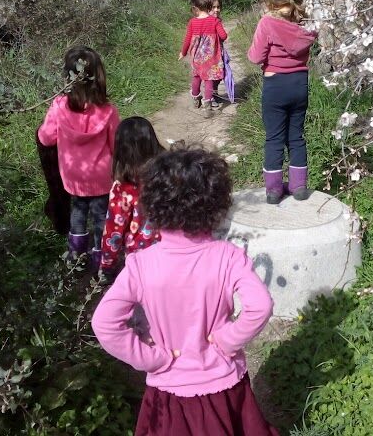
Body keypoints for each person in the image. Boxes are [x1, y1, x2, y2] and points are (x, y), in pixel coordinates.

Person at [91, 148, 277, 436]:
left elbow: (104, 323)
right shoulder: (227, 257)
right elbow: (260, 306)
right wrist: (227, 341)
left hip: (169, 391)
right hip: (223, 384)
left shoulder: (141, 265)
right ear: (215, 205)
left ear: (153, 205)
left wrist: (150, 359)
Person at [37, 46, 119, 269]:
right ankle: (102, 261)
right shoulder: (108, 110)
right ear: (98, 76)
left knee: (78, 211)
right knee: (102, 216)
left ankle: (76, 257)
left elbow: (45, 138)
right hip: (102, 175)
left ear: (68, 77)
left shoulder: (59, 106)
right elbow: (116, 144)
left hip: (73, 174)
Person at [247, 0, 317, 204]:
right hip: (299, 84)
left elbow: (255, 57)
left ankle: (274, 190)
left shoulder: (267, 24)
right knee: (296, 136)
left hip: (275, 84)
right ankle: (299, 187)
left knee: (274, 138)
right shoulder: (307, 25)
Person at [99, 116, 165, 283]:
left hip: (140, 259)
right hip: (172, 248)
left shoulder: (123, 187)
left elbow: (113, 230)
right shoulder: (168, 173)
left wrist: (107, 264)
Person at [179, 0, 228, 114]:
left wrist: (183, 53)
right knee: (209, 80)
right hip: (210, 58)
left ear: (195, 7)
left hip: (196, 58)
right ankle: (208, 105)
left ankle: (196, 98)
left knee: (196, 77)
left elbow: (187, 39)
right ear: (208, 5)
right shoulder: (214, 21)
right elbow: (224, 36)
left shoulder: (192, 22)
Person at [209, 0, 235, 105]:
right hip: (211, 54)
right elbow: (223, 36)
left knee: (218, 75)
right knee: (212, 76)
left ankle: (213, 94)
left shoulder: (216, 20)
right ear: (206, 8)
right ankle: (210, 97)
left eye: (218, 7)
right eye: (212, 7)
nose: (216, 10)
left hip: (217, 53)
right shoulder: (213, 21)